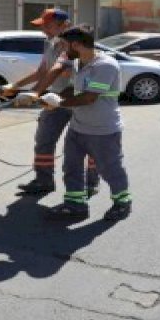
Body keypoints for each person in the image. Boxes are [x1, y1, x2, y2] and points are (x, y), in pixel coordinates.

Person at [1, 9, 100, 196]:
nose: (43, 30)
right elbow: (42, 71)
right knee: (44, 140)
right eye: (42, 26)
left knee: (88, 143)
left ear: (65, 25)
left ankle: (91, 181)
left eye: (47, 26)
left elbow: (62, 71)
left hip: (79, 100)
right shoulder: (50, 44)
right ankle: (43, 180)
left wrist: (35, 93)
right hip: (54, 99)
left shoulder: (78, 44)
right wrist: (15, 86)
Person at [40, 26, 131, 221]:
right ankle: (75, 205)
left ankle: (122, 202)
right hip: (78, 127)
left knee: (110, 169)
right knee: (71, 168)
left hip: (102, 130)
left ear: (76, 44)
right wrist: (51, 98)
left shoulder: (105, 65)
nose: (63, 51)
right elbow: (74, 89)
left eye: (65, 46)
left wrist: (60, 103)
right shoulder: (78, 63)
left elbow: (90, 97)